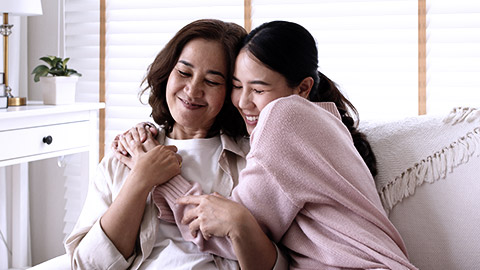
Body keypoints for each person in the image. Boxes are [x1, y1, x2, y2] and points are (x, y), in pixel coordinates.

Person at [116, 21, 418, 269]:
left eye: (258, 89)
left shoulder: (284, 118)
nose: (243, 102)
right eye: (236, 86)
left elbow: (226, 235)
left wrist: (157, 174)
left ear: (302, 88)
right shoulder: (319, 122)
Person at [64, 19, 287, 270]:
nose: (192, 90)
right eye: (183, 72)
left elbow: (280, 263)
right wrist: (140, 179)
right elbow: (87, 265)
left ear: (233, 91)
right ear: (167, 72)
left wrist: (239, 223)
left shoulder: (255, 159)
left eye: (212, 81)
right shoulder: (127, 152)